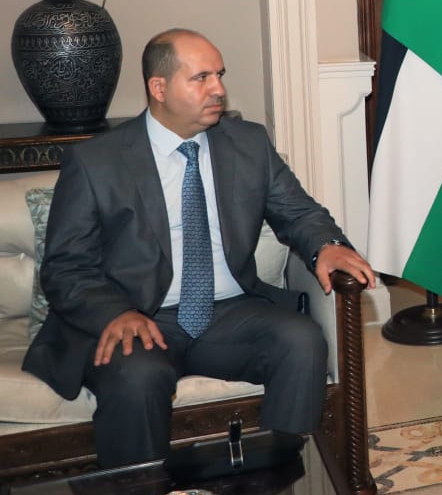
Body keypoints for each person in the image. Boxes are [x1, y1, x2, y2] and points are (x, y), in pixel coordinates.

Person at [22, 28, 377, 467]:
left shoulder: (248, 143)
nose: (218, 90)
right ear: (159, 88)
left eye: (219, 75)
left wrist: (327, 245)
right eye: (201, 78)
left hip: (229, 313)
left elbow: (299, 212)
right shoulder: (97, 161)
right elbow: (65, 266)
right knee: (137, 375)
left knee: (300, 340)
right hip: (138, 316)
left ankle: (283, 483)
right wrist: (115, 313)